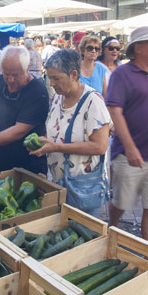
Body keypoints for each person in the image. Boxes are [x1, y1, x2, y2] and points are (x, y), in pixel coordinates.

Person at [106, 27, 148, 289]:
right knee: (121, 202)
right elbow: (115, 110)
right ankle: (111, 227)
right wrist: (130, 146)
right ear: (137, 48)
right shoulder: (122, 74)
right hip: (129, 154)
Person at [28, 49, 111, 214]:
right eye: (49, 77)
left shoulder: (93, 102)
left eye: (56, 78)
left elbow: (100, 146)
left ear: (73, 74)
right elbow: (56, 131)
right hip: (60, 183)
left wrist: (57, 147)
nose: (51, 83)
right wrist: (43, 143)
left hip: (83, 187)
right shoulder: (58, 98)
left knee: (83, 233)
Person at [0, 46, 49, 175]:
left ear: (27, 68)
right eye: (6, 74)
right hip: (3, 160)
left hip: (29, 165)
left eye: (15, 75)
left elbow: (20, 130)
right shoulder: (0, 82)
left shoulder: (37, 91)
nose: (10, 80)